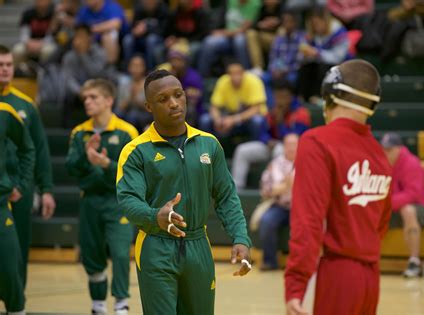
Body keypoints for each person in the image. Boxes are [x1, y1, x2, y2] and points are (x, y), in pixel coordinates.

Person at [116, 69, 252, 315]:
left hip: (198, 245)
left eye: (178, 95)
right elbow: (128, 200)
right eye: (163, 99)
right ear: (148, 106)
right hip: (156, 245)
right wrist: (155, 215)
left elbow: (226, 196)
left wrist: (240, 237)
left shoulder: (209, 144)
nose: (174, 103)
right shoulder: (136, 151)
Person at [285, 59, 392, 315]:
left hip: (337, 274)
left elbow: (308, 222)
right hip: (370, 279)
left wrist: (296, 284)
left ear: (330, 92)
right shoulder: (379, 154)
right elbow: (382, 224)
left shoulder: (316, 141)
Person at [65, 79, 139, 315]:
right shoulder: (79, 132)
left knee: (119, 252)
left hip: (118, 202)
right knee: (91, 253)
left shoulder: (127, 132)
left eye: (93, 97)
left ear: (109, 100)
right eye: (85, 98)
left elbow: (134, 173)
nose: (87, 101)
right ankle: (98, 305)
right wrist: (86, 157)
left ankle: (121, 304)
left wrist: (107, 164)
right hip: (90, 200)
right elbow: (70, 168)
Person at [0, 44, 56, 288]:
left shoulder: (26, 106)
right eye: (0, 66)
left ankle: (17, 303)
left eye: (9, 65)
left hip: (19, 188)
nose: (5, 70)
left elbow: (40, 149)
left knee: (20, 247)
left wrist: (46, 190)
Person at [231, 80, 310, 189]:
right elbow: (262, 133)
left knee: (279, 149)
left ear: (290, 97)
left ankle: (277, 187)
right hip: (270, 146)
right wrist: (267, 140)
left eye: (283, 97)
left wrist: (280, 122)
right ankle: (237, 189)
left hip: (291, 150)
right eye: (277, 97)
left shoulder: (301, 113)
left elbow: (294, 139)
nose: (280, 100)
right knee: (242, 150)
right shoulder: (273, 111)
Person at [381, 132, 424, 278]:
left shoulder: (411, 163)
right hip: (393, 207)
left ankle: (414, 261)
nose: (386, 153)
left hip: (421, 208)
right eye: (384, 149)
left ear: (399, 149)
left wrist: (385, 203)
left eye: (390, 150)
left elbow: (413, 194)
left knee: (408, 210)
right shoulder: (382, 164)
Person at [0, 102, 35, 315]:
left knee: (9, 268)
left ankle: (16, 310)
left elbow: (27, 147)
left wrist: (21, 183)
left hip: (1, 205)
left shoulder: (5, 111)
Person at [199, 61, 267, 144]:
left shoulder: (253, 81)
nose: (236, 76)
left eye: (238, 73)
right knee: (205, 120)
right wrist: (217, 119)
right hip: (229, 116)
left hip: (247, 119)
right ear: (228, 74)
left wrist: (234, 119)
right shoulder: (223, 81)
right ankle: (208, 151)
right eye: (233, 73)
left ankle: (255, 148)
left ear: (243, 73)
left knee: (257, 121)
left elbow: (256, 109)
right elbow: (214, 106)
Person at [258, 133, 298, 270]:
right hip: (279, 205)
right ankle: (269, 261)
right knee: (267, 221)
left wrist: (288, 185)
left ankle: (300, 263)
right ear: (284, 146)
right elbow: (266, 190)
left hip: (300, 207)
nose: (292, 148)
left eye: (294, 145)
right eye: (289, 145)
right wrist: (286, 186)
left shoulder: (307, 162)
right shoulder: (275, 164)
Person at [296, 6, 350, 103]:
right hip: (318, 63)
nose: (315, 27)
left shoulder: (338, 31)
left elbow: (338, 57)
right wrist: (305, 54)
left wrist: (318, 53)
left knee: (323, 67)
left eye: (317, 23)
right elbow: (300, 56)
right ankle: (303, 98)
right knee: (306, 67)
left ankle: (321, 97)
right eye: (313, 24)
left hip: (339, 66)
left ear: (325, 21)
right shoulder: (311, 33)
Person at [61, 24, 109, 127]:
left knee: (98, 96)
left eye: (81, 36)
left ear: (89, 38)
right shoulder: (69, 56)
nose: (78, 39)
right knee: (67, 96)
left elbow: (96, 73)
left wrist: (83, 55)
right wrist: (80, 91)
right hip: (77, 93)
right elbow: (68, 79)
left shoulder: (99, 53)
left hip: (96, 90)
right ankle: (69, 132)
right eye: (76, 36)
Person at [198, 0, 260, 77]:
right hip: (226, 35)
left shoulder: (255, 3)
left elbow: (246, 27)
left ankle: (246, 74)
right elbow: (220, 17)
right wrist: (215, 30)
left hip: (243, 35)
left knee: (239, 41)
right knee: (209, 42)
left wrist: (226, 33)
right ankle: (201, 77)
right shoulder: (229, 1)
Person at [158, 40, 204, 127]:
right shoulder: (166, 73)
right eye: (172, 60)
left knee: (189, 110)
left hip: (192, 111)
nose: (174, 63)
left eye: (178, 60)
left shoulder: (193, 77)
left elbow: (193, 102)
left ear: (184, 61)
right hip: (170, 107)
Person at [76, 0, 128, 64]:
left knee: (108, 36)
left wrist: (93, 29)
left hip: (116, 40)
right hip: (92, 39)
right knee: (80, 38)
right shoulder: (84, 10)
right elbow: (78, 27)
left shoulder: (111, 6)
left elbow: (116, 24)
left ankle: (110, 67)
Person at [122, 0, 169, 70]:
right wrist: (135, 31)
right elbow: (133, 26)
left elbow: (163, 31)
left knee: (151, 40)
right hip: (140, 37)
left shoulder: (164, 9)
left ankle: (150, 70)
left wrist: (146, 30)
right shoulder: (138, 8)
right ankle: (128, 69)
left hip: (158, 38)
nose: (148, 2)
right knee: (127, 39)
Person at [12, 0, 56, 68]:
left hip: (46, 43)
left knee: (48, 51)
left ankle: (44, 72)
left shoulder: (54, 14)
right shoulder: (28, 13)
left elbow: (53, 34)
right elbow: (24, 33)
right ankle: (18, 73)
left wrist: (41, 43)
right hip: (29, 43)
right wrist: (28, 42)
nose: (41, 2)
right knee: (17, 50)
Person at [116, 55, 152, 132]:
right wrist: (131, 97)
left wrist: (136, 99)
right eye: (134, 65)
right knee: (117, 113)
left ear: (144, 67)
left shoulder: (148, 83)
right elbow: (120, 107)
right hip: (126, 112)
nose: (136, 69)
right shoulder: (123, 82)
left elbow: (150, 109)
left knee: (133, 116)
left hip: (143, 114)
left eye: (139, 66)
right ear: (129, 67)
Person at [246, 0, 282, 75]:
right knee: (251, 33)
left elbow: (290, 25)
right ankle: (258, 68)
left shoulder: (283, 8)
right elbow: (254, 25)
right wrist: (262, 24)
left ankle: (280, 66)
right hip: (266, 39)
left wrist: (276, 23)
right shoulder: (262, 8)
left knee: (282, 31)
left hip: (281, 41)